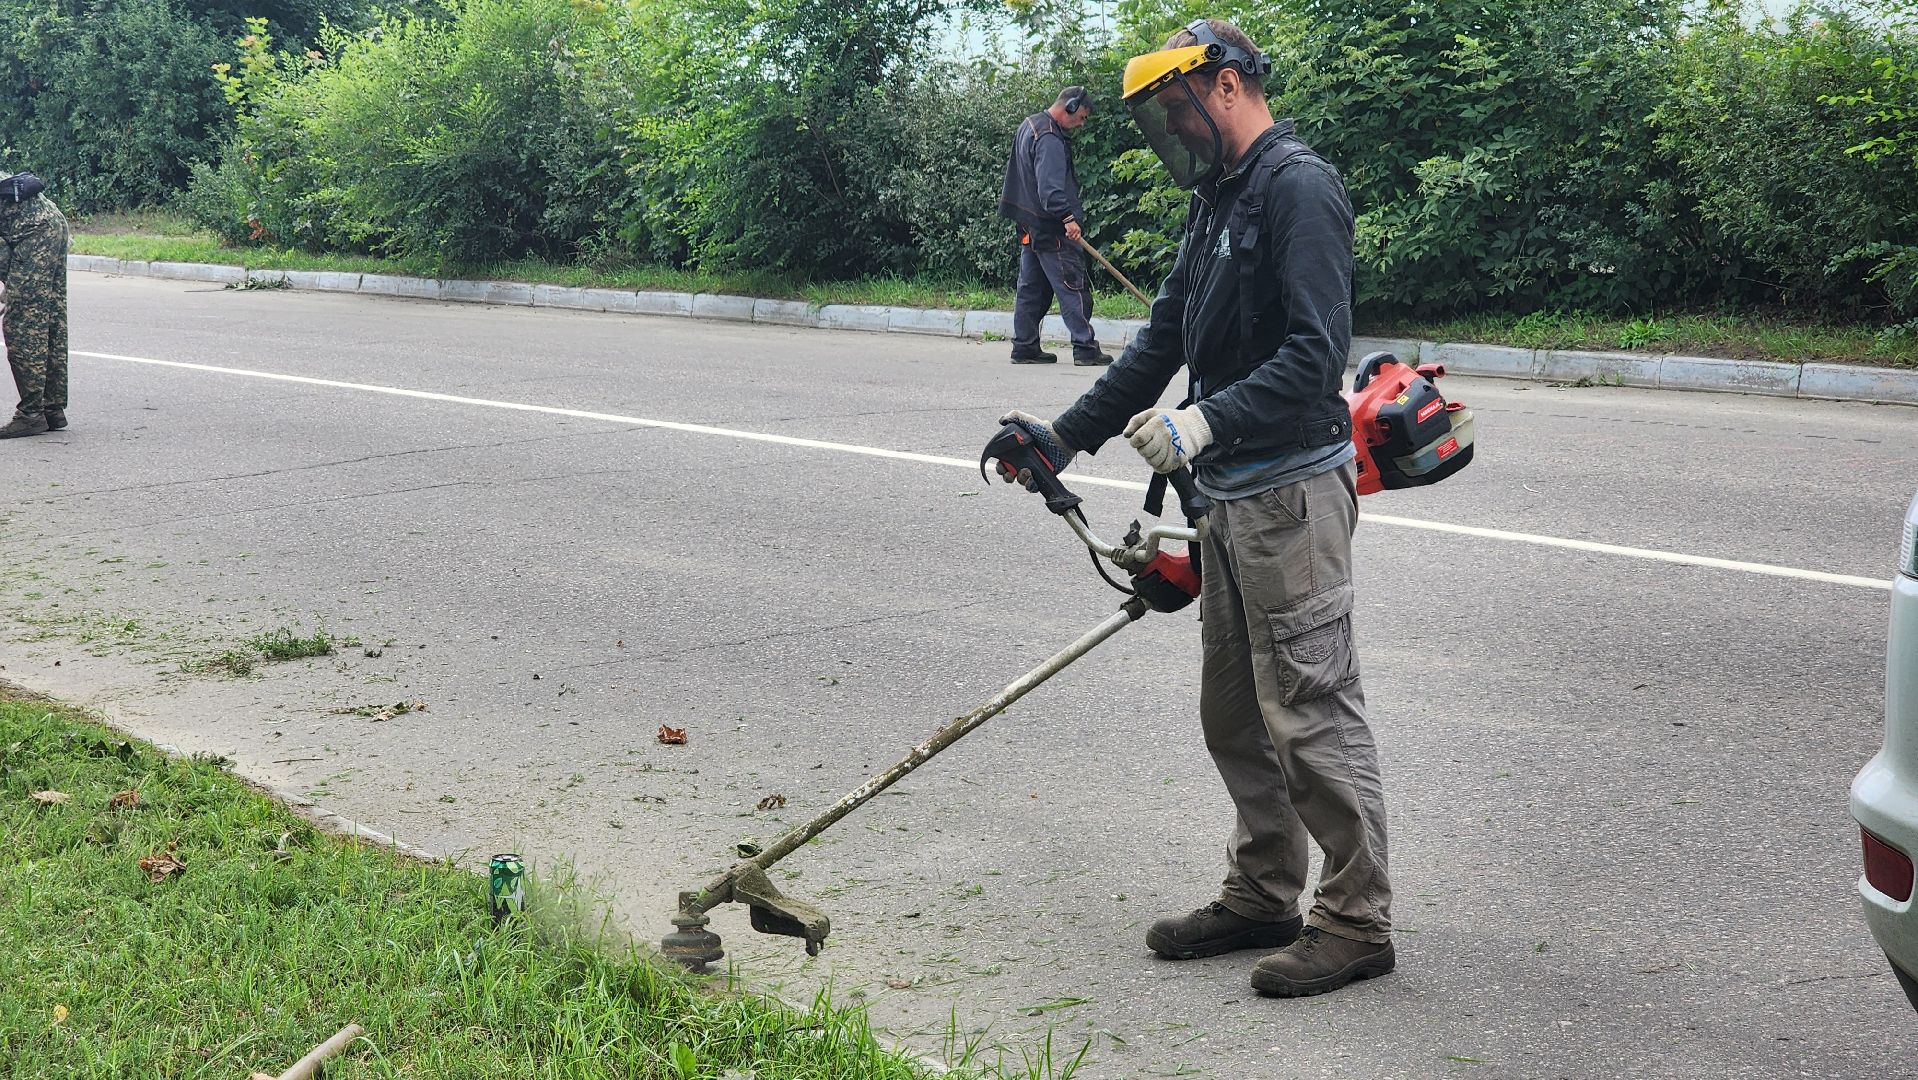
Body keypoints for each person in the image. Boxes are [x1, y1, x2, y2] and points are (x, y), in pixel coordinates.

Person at [999, 19, 1393, 997]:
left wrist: (1203, 424)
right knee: (1234, 713)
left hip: (1291, 494)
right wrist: (1064, 435)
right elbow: (1162, 336)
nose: (1169, 131)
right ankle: (1263, 893)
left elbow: (1315, 356)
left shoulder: (1298, 187)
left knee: (1311, 713)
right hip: (1228, 501)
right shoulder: (1217, 198)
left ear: (1224, 87)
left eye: (1176, 110)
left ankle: (1356, 921)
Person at [997, 86, 1113, 367]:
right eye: (1081, 117)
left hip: (1030, 225)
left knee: (1031, 288)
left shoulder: (1030, 125)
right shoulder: (1049, 137)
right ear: (1070, 107)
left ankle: (1024, 346)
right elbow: (1050, 189)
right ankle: (1085, 348)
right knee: (1072, 285)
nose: (1081, 124)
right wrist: (1068, 219)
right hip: (1052, 227)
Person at [0, 171, 70, 439]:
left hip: (34, 231)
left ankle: (31, 414)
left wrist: (13, 290)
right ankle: (51, 408)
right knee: (50, 319)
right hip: (51, 222)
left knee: (23, 324)